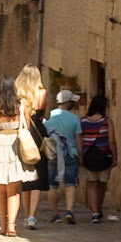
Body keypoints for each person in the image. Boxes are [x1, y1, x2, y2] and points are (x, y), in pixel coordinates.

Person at [0, 76, 27, 236]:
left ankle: (2, 226)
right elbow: (26, 127)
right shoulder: (20, 106)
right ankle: (11, 225)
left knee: (0, 190)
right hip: (15, 145)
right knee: (13, 190)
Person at [16, 64, 51, 230]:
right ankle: (32, 216)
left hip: (25, 136)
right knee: (39, 175)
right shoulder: (43, 93)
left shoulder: (19, 95)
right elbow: (47, 115)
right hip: (39, 136)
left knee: (26, 177)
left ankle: (25, 215)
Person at [44, 87, 83, 223]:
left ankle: (55, 214)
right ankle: (69, 211)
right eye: (72, 101)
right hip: (70, 153)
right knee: (70, 183)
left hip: (52, 153)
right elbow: (78, 139)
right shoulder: (74, 119)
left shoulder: (48, 117)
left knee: (52, 184)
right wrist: (80, 155)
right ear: (67, 103)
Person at [79, 92, 118, 223]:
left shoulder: (83, 121)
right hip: (103, 156)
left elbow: (79, 139)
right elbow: (111, 141)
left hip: (88, 156)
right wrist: (115, 157)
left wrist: (80, 156)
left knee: (91, 184)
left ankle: (94, 213)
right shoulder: (107, 121)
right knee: (101, 184)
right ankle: (99, 209)